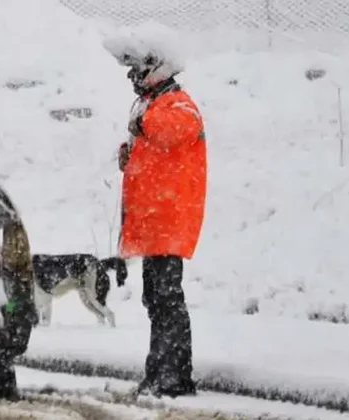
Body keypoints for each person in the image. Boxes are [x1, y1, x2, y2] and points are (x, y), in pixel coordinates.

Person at [103, 23, 207, 398]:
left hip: (169, 222)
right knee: (157, 300)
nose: (131, 76)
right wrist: (130, 154)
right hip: (154, 223)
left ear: (156, 65)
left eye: (136, 68)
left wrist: (142, 124)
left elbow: (172, 130)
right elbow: (156, 148)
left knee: (166, 299)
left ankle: (174, 378)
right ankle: (160, 374)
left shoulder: (177, 103)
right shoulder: (155, 105)